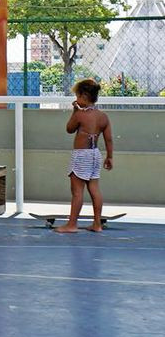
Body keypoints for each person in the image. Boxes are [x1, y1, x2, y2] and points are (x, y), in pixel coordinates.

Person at [55, 79, 113, 233]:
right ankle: (97, 224)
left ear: (84, 96)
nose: (76, 99)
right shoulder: (103, 116)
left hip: (82, 155)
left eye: (77, 96)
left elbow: (69, 129)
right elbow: (109, 139)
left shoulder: (81, 115)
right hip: (95, 154)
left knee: (77, 191)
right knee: (94, 189)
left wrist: (75, 110)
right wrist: (110, 157)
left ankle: (72, 224)